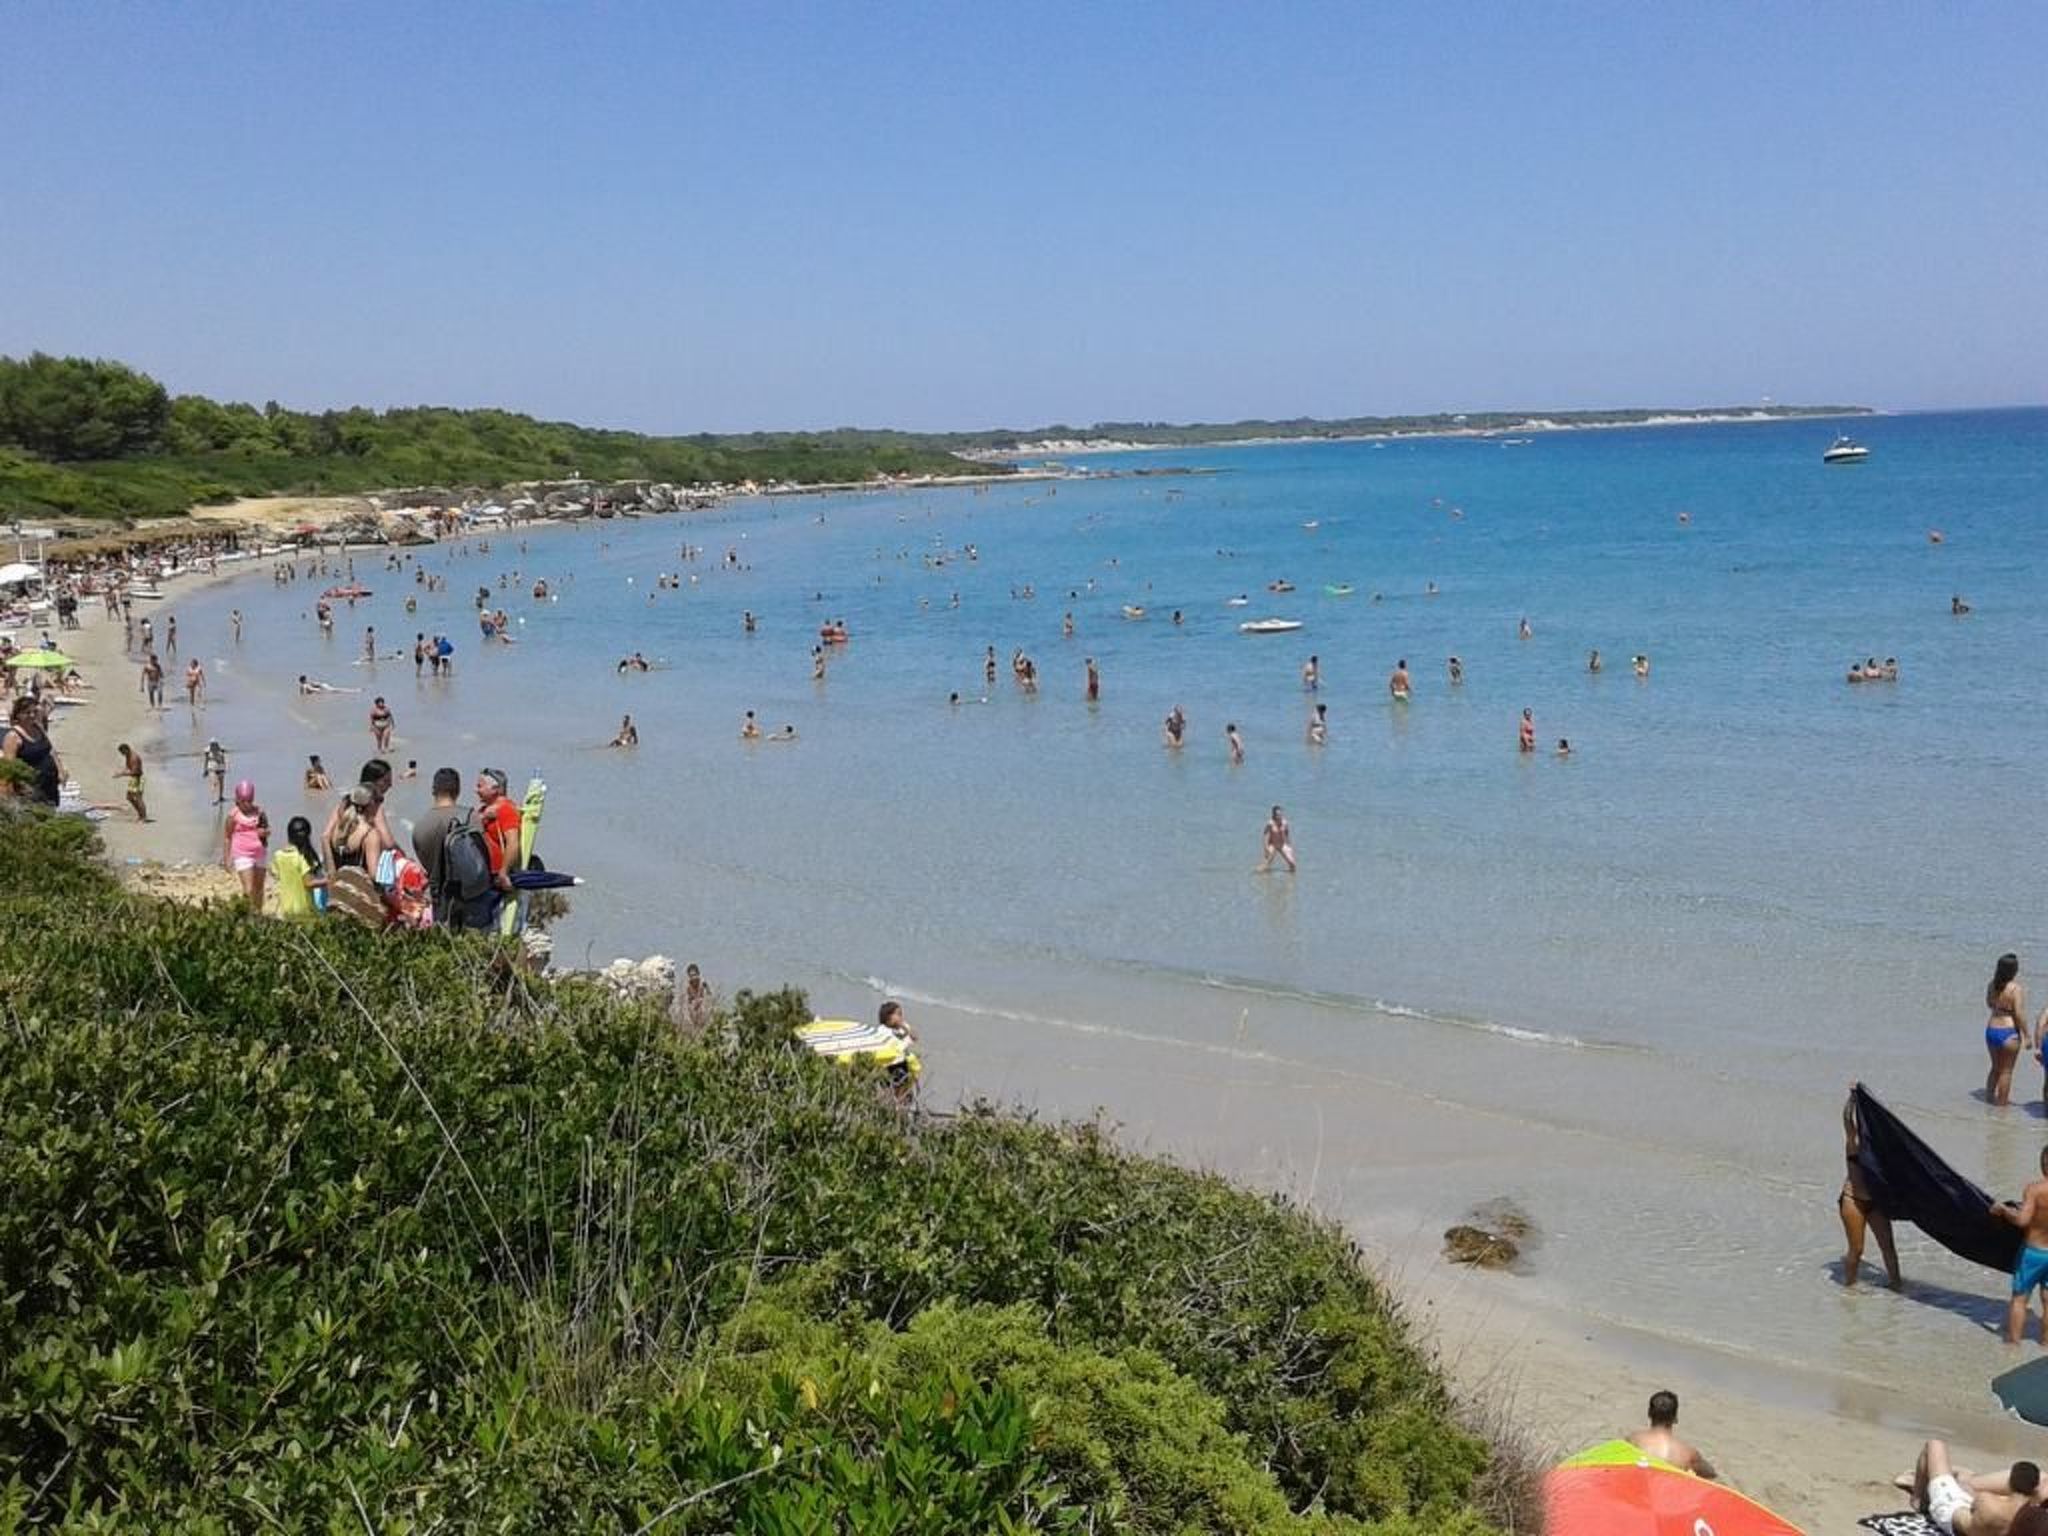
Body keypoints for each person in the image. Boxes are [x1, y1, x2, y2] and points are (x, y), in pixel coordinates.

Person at [1903, 1442, 2039, 1536]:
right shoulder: (2031, 1516)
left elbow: (1972, 1505)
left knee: (1935, 1445)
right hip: (1975, 1524)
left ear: (2010, 1482)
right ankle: (1958, 1476)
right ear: (2034, 1488)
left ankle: (1917, 1500)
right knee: (1964, 1481)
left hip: (1949, 1515)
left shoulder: (1990, 1503)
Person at [1840, 1088, 1901, 1288]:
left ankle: (1896, 1285)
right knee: (1857, 1250)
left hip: (1876, 1202)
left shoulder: (1882, 1149)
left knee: (1888, 1248)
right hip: (1853, 1200)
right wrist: (1853, 1099)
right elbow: (1848, 1121)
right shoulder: (1854, 1142)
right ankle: (1849, 1288)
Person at [1996, 1147, 2048, 1346]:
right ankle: (2045, 1345)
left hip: (2032, 1253)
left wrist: (2004, 1210)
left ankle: (2013, 1347)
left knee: (2020, 1300)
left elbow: (2022, 1221)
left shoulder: (2034, 1190)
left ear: (2042, 1165)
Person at [410, 768, 466, 926]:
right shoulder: (470, 817)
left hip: (438, 891)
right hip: (469, 892)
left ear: (433, 790)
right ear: (458, 790)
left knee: (441, 931)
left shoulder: (421, 825)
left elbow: (422, 856)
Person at [1625, 1391, 1715, 1479]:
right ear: (1675, 1418)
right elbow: (1711, 1474)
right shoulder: (1688, 1454)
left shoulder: (1633, 1440)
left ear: (1649, 1413)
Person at [475, 767, 523, 916]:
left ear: (495, 788)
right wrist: (483, 818)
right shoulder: (485, 810)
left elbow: (513, 843)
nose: (476, 790)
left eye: (480, 786)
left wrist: (504, 872)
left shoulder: (505, 809)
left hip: (496, 877)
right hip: (484, 875)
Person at [2, 695, 62, 806]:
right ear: (18, 715)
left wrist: (60, 770)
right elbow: (8, 770)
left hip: (49, 784)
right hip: (30, 788)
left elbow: (51, 750)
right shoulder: (13, 737)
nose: (32, 715)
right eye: (27, 712)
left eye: (34, 712)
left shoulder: (38, 727)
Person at [221, 780, 271, 912]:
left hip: (260, 853)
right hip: (242, 853)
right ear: (238, 799)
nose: (247, 804)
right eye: (243, 801)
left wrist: (264, 833)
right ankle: (248, 914)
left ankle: (258, 912)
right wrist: (227, 858)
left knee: (259, 887)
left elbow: (267, 830)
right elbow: (227, 837)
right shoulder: (233, 816)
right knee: (248, 889)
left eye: (249, 800)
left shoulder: (260, 812)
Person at [1987, 953, 2027, 1107]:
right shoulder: (2015, 988)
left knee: (1995, 1068)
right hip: (2008, 1032)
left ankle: (1989, 1100)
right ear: (2014, 970)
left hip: (1991, 1029)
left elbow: (1989, 1003)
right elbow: (2019, 1013)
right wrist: (2027, 1035)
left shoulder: (1992, 984)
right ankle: (2001, 1106)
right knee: (2007, 1071)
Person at [271, 815, 329, 920]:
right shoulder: (302, 857)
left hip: (285, 907)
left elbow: (275, 874)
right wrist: (328, 880)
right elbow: (308, 883)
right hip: (304, 908)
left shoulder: (278, 855)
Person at [1258, 805, 1296, 874]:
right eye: (1278, 815)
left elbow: (1287, 834)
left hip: (1282, 845)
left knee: (1292, 864)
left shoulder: (1285, 823)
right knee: (1265, 865)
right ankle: (1260, 878)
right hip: (1273, 845)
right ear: (1274, 815)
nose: (1280, 816)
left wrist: (1289, 846)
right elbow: (1265, 835)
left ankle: (1291, 880)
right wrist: (1266, 848)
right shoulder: (1270, 823)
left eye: (1281, 814)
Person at [115, 743, 148, 822]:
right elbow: (128, 767)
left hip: (138, 778)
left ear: (126, 749)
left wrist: (121, 774)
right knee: (129, 797)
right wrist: (121, 771)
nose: (122, 754)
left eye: (122, 752)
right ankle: (140, 814)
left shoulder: (134, 758)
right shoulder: (128, 755)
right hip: (133, 779)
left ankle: (143, 817)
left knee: (139, 798)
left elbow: (134, 771)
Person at [202, 739, 227, 805]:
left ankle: (221, 797)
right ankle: (214, 799)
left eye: (214, 744)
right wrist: (205, 770)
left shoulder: (221, 750)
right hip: (212, 768)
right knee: (214, 783)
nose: (213, 746)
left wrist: (225, 767)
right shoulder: (207, 752)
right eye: (212, 744)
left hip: (221, 768)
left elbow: (224, 759)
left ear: (217, 744)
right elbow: (206, 761)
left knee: (221, 783)